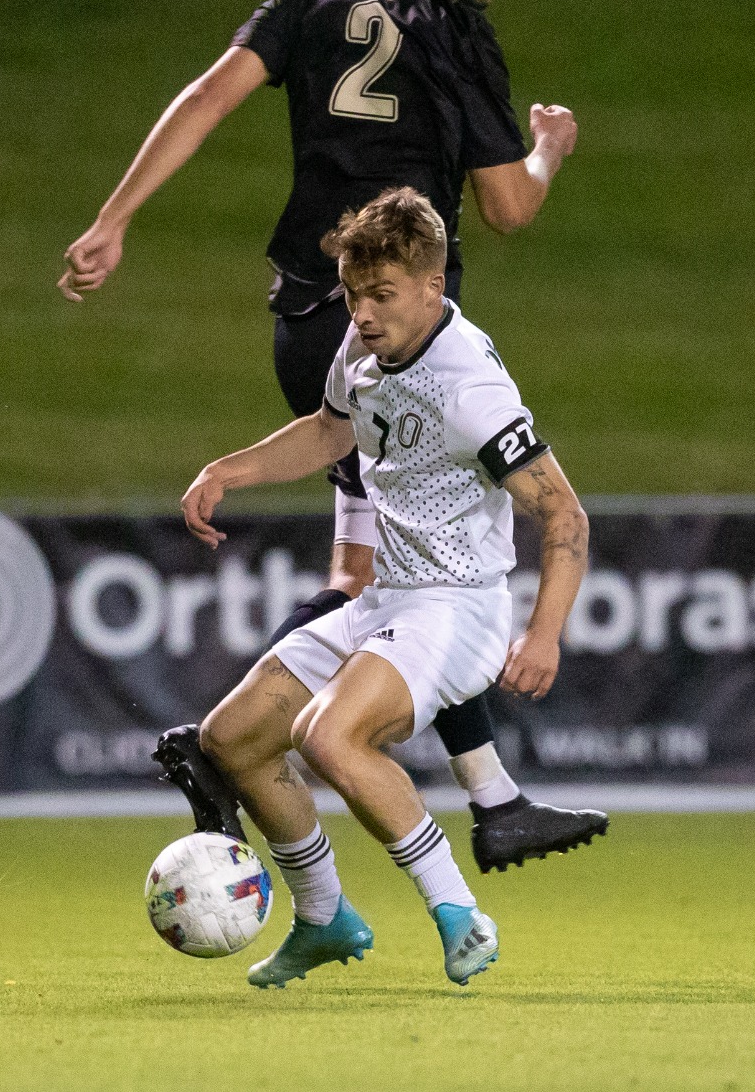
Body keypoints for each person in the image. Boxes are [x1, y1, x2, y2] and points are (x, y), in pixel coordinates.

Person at [60, 0, 605, 870]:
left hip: (306, 315)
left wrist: (114, 217)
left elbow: (208, 95)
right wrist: (547, 149)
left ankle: (494, 798)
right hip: (389, 333)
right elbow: (506, 206)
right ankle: (223, 748)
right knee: (395, 579)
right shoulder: (456, 30)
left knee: (385, 570)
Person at [178, 189, 589, 986]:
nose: (363, 313)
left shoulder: (468, 388)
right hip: (386, 600)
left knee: (329, 735)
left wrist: (544, 632)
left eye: (382, 295)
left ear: (434, 286)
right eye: (353, 294)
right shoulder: (365, 349)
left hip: (458, 608)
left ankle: (460, 912)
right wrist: (229, 469)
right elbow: (330, 430)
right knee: (231, 738)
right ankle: (324, 916)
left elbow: (564, 513)